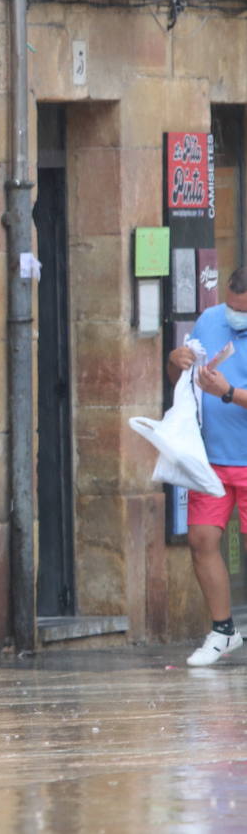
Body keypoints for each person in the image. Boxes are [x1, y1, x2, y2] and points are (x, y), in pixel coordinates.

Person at [167, 266, 247, 667]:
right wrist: (175, 359)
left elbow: (225, 390)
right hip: (209, 458)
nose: (234, 315)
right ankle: (222, 630)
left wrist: (229, 393)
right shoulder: (209, 320)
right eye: (231, 305)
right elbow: (179, 374)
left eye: (242, 310)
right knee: (201, 541)